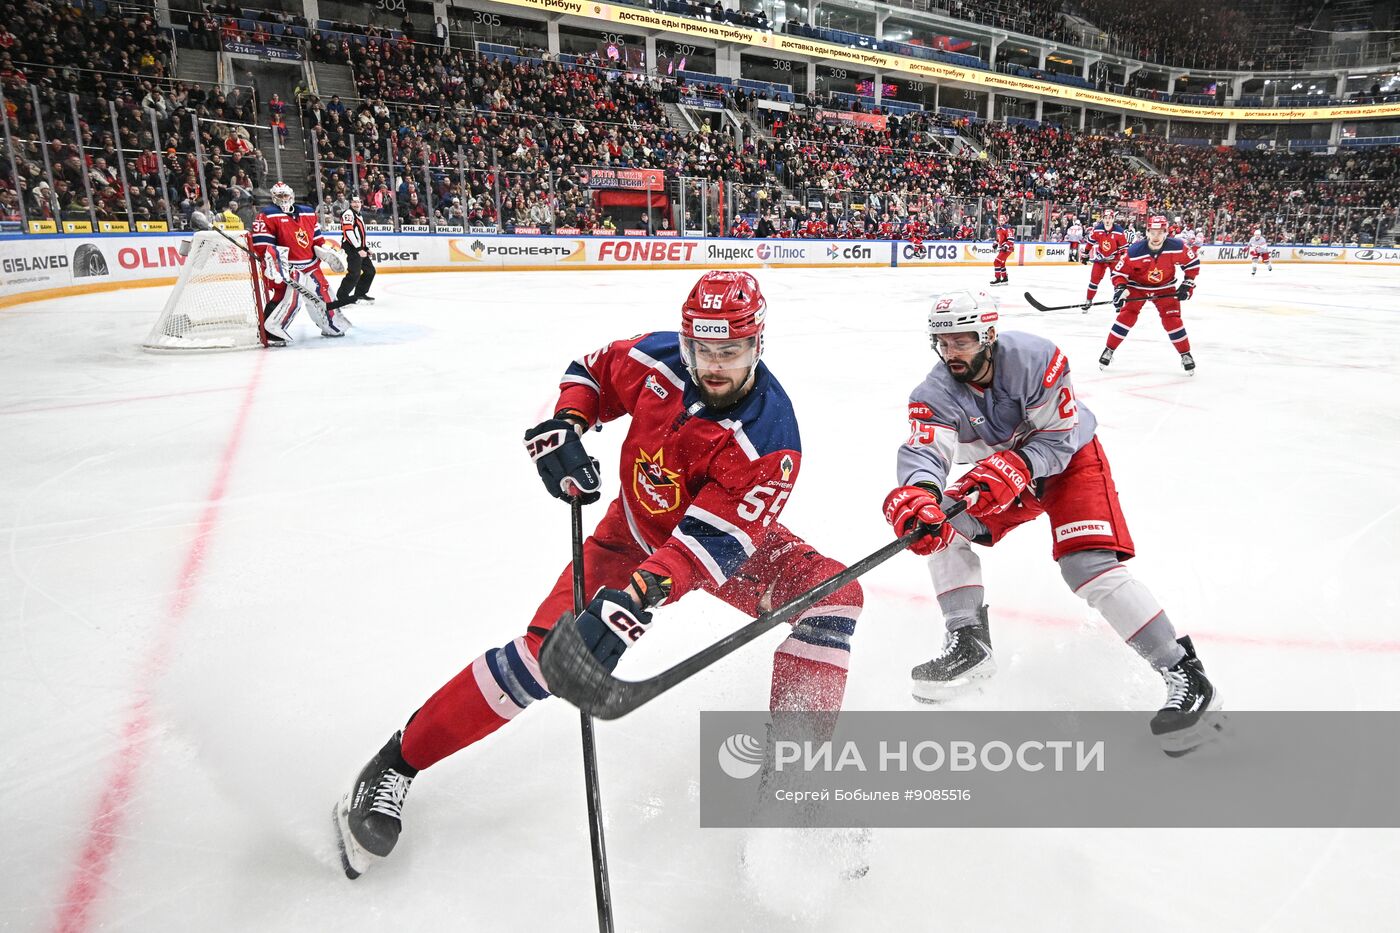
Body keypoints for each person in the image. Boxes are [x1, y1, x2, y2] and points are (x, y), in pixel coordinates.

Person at [334, 271, 866, 878]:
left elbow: (709, 547)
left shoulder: (770, 437)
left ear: (757, 347)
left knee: (835, 596)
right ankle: (395, 764)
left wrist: (639, 595)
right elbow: (589, 373)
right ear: (687, 341)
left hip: (709, 551)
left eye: (731, 352)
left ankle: (793, 787)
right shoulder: (659, 358)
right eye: (703, 349)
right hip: (630, 535)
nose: (714, 366)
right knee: (543, 660)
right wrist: (569, 423)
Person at [882, 289, 1222, 754]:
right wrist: (920, 494)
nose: (950, 352)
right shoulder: (935, 392)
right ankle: (969, 643)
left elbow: (1060, 439)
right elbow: (926, 450)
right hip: (1004, 473)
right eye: (942, 342)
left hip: (1069, 463)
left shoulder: (1035, 359)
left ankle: (1184, 672)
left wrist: (1017, 465)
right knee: (938, 526)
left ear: (988, 334)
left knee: (1086, 566)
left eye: (961, 341)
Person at [1098, 215, 1200, 375]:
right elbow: (1119, 272)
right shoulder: (1135, 251)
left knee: (1172, 320)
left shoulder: (1177, 246)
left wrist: (1188, 284)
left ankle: (1185, 354)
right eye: (1153, 232)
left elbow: (1192, 263)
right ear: (1147, 232)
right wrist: (1120, 288)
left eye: (1160, 232)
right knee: (1127, 316)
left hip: (1165, 288)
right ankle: (1109, 350)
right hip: (1137, 287)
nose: (1156, 236)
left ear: (1166, 232)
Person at [251, 181, 350, 346]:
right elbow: (262, 245)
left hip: (310, 265)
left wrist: (324, 252)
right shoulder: (266, 215)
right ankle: (270, 332)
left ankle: (331, 325)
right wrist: (275, 261)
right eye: (280, 195)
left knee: (324, 295)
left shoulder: (308, 212)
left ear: (292, 195)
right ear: (274, 197)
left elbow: (317, 240)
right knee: (288, 300)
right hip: (287, 267)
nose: (284, 198)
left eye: (286, 195)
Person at [1080, 207, 1127, 311]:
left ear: (1113, 219)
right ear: (1103, 218)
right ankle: (1088, 300)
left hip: (1114, 259)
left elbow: (1124, 249)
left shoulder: (1119, 232)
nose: (1107, 220)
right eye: (1105, 217)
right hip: (1101, 259)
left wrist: (1123, 257)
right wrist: (1086, 254)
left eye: (1110, 218)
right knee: (1094, 280)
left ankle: (1119, 302)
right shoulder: (1097, 229)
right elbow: (1090, 243)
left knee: (1118, 281)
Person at [336, 193, 376, 306]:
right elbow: (348, 232)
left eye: (358, 201)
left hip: (359, 248)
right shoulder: (348, 214)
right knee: (354, 274)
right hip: (351, 248)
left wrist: (366, 248)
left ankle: (360, 294)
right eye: (354, 202)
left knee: (370, 271)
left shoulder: (359, 215)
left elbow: (359, 235)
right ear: (350, 203)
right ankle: (341, 298)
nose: (356, 203)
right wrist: (359, 249)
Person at [990, 213, 1014, 286]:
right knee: (1001, 263)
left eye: (1002, 220)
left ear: (1005, 221)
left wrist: (1006, 246)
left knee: (996, 262)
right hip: (1002, 248)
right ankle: (1005, 278)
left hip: (1008, 249)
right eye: (1000, 220)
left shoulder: (1007, 228)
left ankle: (997, 279)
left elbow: (1011, 239)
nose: (1001, 221)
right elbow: (999, 238)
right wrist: (995, 243)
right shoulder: (998, 229)